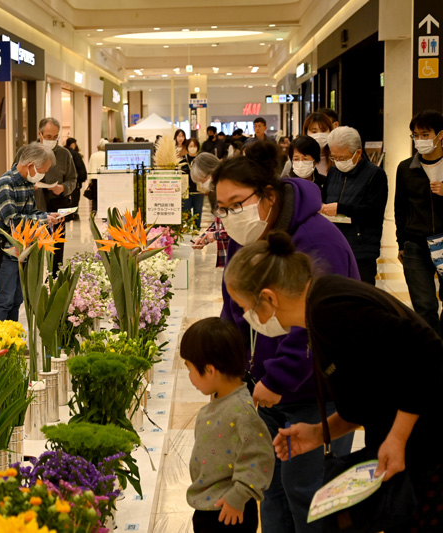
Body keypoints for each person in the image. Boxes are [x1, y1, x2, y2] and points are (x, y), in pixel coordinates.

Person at [225, 231, 443, 532]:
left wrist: (398, 437)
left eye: (245, 308)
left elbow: (427, 353)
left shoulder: (332, 307)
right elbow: (368, 397)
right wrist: (318, 432)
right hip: (407, 444)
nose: (246, 317)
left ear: (269, 297)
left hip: (429, 447)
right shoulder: (318, 313)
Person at [212, 139, 357, 532]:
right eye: (222, 208)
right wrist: (230, 369)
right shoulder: (248, 236)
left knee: (309, 493)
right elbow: (235, 307)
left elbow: (317, 322)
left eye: (236, 204)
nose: (230, 216)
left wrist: (279, 377)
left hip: (316, 389)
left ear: (268, 195)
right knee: (271, 489)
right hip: (266, 389)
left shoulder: (317, 240)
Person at [182, 317, 275, 533]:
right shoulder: (221, 401)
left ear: (210, 370)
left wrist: (238, 496)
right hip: (209, 506)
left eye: (190, 369)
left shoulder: (241, 410)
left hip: (229, 511)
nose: (190, 377)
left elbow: (260, 456)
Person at [0, 144, 62, 321]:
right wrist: (43, 219)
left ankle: (12, 335)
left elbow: (31, 212)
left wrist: (47, 216)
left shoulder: (27, 183)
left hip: (23, 249)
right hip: (6, 250)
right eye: (43, 171)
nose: (43, 175)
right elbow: (12, 221)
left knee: (17, 299)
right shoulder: (6, 183)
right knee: (5, 299)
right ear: (31, 166)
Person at [395, 109, 443, 336]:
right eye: (416, 135)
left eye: (425, 135)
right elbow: (400, 208)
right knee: (424, 305)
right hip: (416, 243)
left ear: (440, 135)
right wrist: (401, 242)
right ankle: (434, 348)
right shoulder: (406, 168)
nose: (420, 140)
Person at [321, 126, 388, 286]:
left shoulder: (375, 174)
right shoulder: (333, 172)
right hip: (334, 246)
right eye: (334, 157)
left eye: (342, 158)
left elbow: (374, 212)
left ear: (358, 153)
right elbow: (324, 200)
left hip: (362, 250)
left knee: (360, 294)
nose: (338, 162)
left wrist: (341, 208)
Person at [32, 117, 77, 274]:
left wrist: (63, 188)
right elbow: (16, 176)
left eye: (55, 137)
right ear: (40, 133)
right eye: (48, 136)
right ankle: (33, 281)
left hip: (57, 206)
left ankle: (55, 278)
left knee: (56, 248)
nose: (51, 140)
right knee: (34, 248)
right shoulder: (28, 152)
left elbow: (73, 179)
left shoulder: (64, 154)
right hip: (34, 207)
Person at [190, 153, 229, 268]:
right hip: (227, 256)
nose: (203, 184)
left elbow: (238, 226)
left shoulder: (230, 189)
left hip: (237, 254)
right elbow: (220, 221)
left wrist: (216, 235)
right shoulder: (219, 189)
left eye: (203, 180)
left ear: (212, 171)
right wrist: (204, 237)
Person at [302, 112, 334, 177]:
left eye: (323, 131)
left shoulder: (336, 158)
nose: (319, 135)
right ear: (306, 133)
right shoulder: (298, 158)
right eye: (314, 132)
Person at [183, 138, 204, 226]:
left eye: (194, 146)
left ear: (198, 147)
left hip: (199, 190)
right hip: (186, 190)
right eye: (190, 146)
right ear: (187, 147)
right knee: (186, 211)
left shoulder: (201, 159)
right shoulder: (183, 159)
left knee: (198, 211)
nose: (192, 148)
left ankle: (197, 229)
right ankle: (187, 229)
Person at [65, 137, 88, 217]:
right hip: (75, 180)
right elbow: (80, 167)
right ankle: (74, 213)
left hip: (64, 180)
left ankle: (66, 213)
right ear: (73, 144)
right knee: (75, 197)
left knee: (66, 196)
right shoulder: (75, 154)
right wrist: (82, 178)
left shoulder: (63, 153)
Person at [86, 139, 108, 213]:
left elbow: (90, 167)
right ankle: (104, 213)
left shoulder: (93, 155)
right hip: (105, 178)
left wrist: (89, 180)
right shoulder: (107, 155)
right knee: (104, 196)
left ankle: (94, 211)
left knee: (95, 197)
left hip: (94, 178)